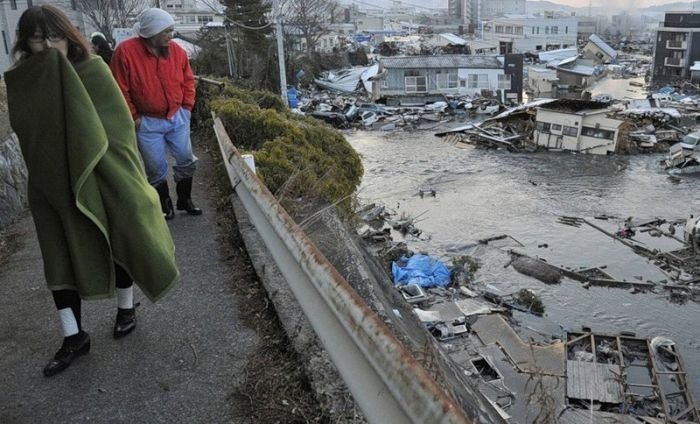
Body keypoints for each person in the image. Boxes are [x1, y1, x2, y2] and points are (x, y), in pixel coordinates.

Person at [4, 5, 179, 377]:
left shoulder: (94, 71)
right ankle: (73, 336)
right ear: (25, 43)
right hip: (50, 181)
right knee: (59, 255)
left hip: (103, 173)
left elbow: (117, 132)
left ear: (69, 38)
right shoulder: (25, 81)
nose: (48, 46)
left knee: (116, 238)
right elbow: (30, 133)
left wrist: (118, 177)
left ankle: (126, 307)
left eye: (55, 37)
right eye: (37, 39)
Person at [110, 8, 201, 220]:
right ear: (152, 32)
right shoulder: (125, 52)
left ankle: (184, 199)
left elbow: (188, 79)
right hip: (147, 121)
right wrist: (134, 116)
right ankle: (164, 204)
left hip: (177, 116)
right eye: (166, 31)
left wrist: (187, 107)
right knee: (155, 166)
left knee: (186, 158)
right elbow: (119, 88)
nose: (171, 35)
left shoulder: (176, 51)